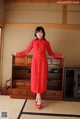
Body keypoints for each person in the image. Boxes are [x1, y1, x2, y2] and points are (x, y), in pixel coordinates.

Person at [13, 26, 63, 109]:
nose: (39, 34)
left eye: (41, 32)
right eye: (38, 32)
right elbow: (26, 51)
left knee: (42, 79)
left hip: (43, 63)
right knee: (35, 79)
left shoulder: (46, 42)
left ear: (43, 33)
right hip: (35, 63)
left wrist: (60, 56)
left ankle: (38, 96)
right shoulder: (33, 41)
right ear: (35, 33)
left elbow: (51, 53)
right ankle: (38, 96)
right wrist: (17, 54)